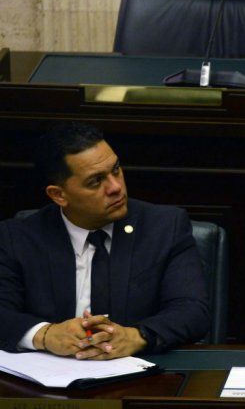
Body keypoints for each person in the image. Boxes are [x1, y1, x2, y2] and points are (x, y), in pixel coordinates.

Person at [0, 122, 210, 358]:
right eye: (95, 181)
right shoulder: (17, 238)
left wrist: (135, 336)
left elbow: (192, 311)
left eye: (116, 169)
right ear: (59, 195)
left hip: (141, 376)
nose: (116, 187)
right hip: (49, 382)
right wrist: (46, 335)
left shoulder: (164, 227)